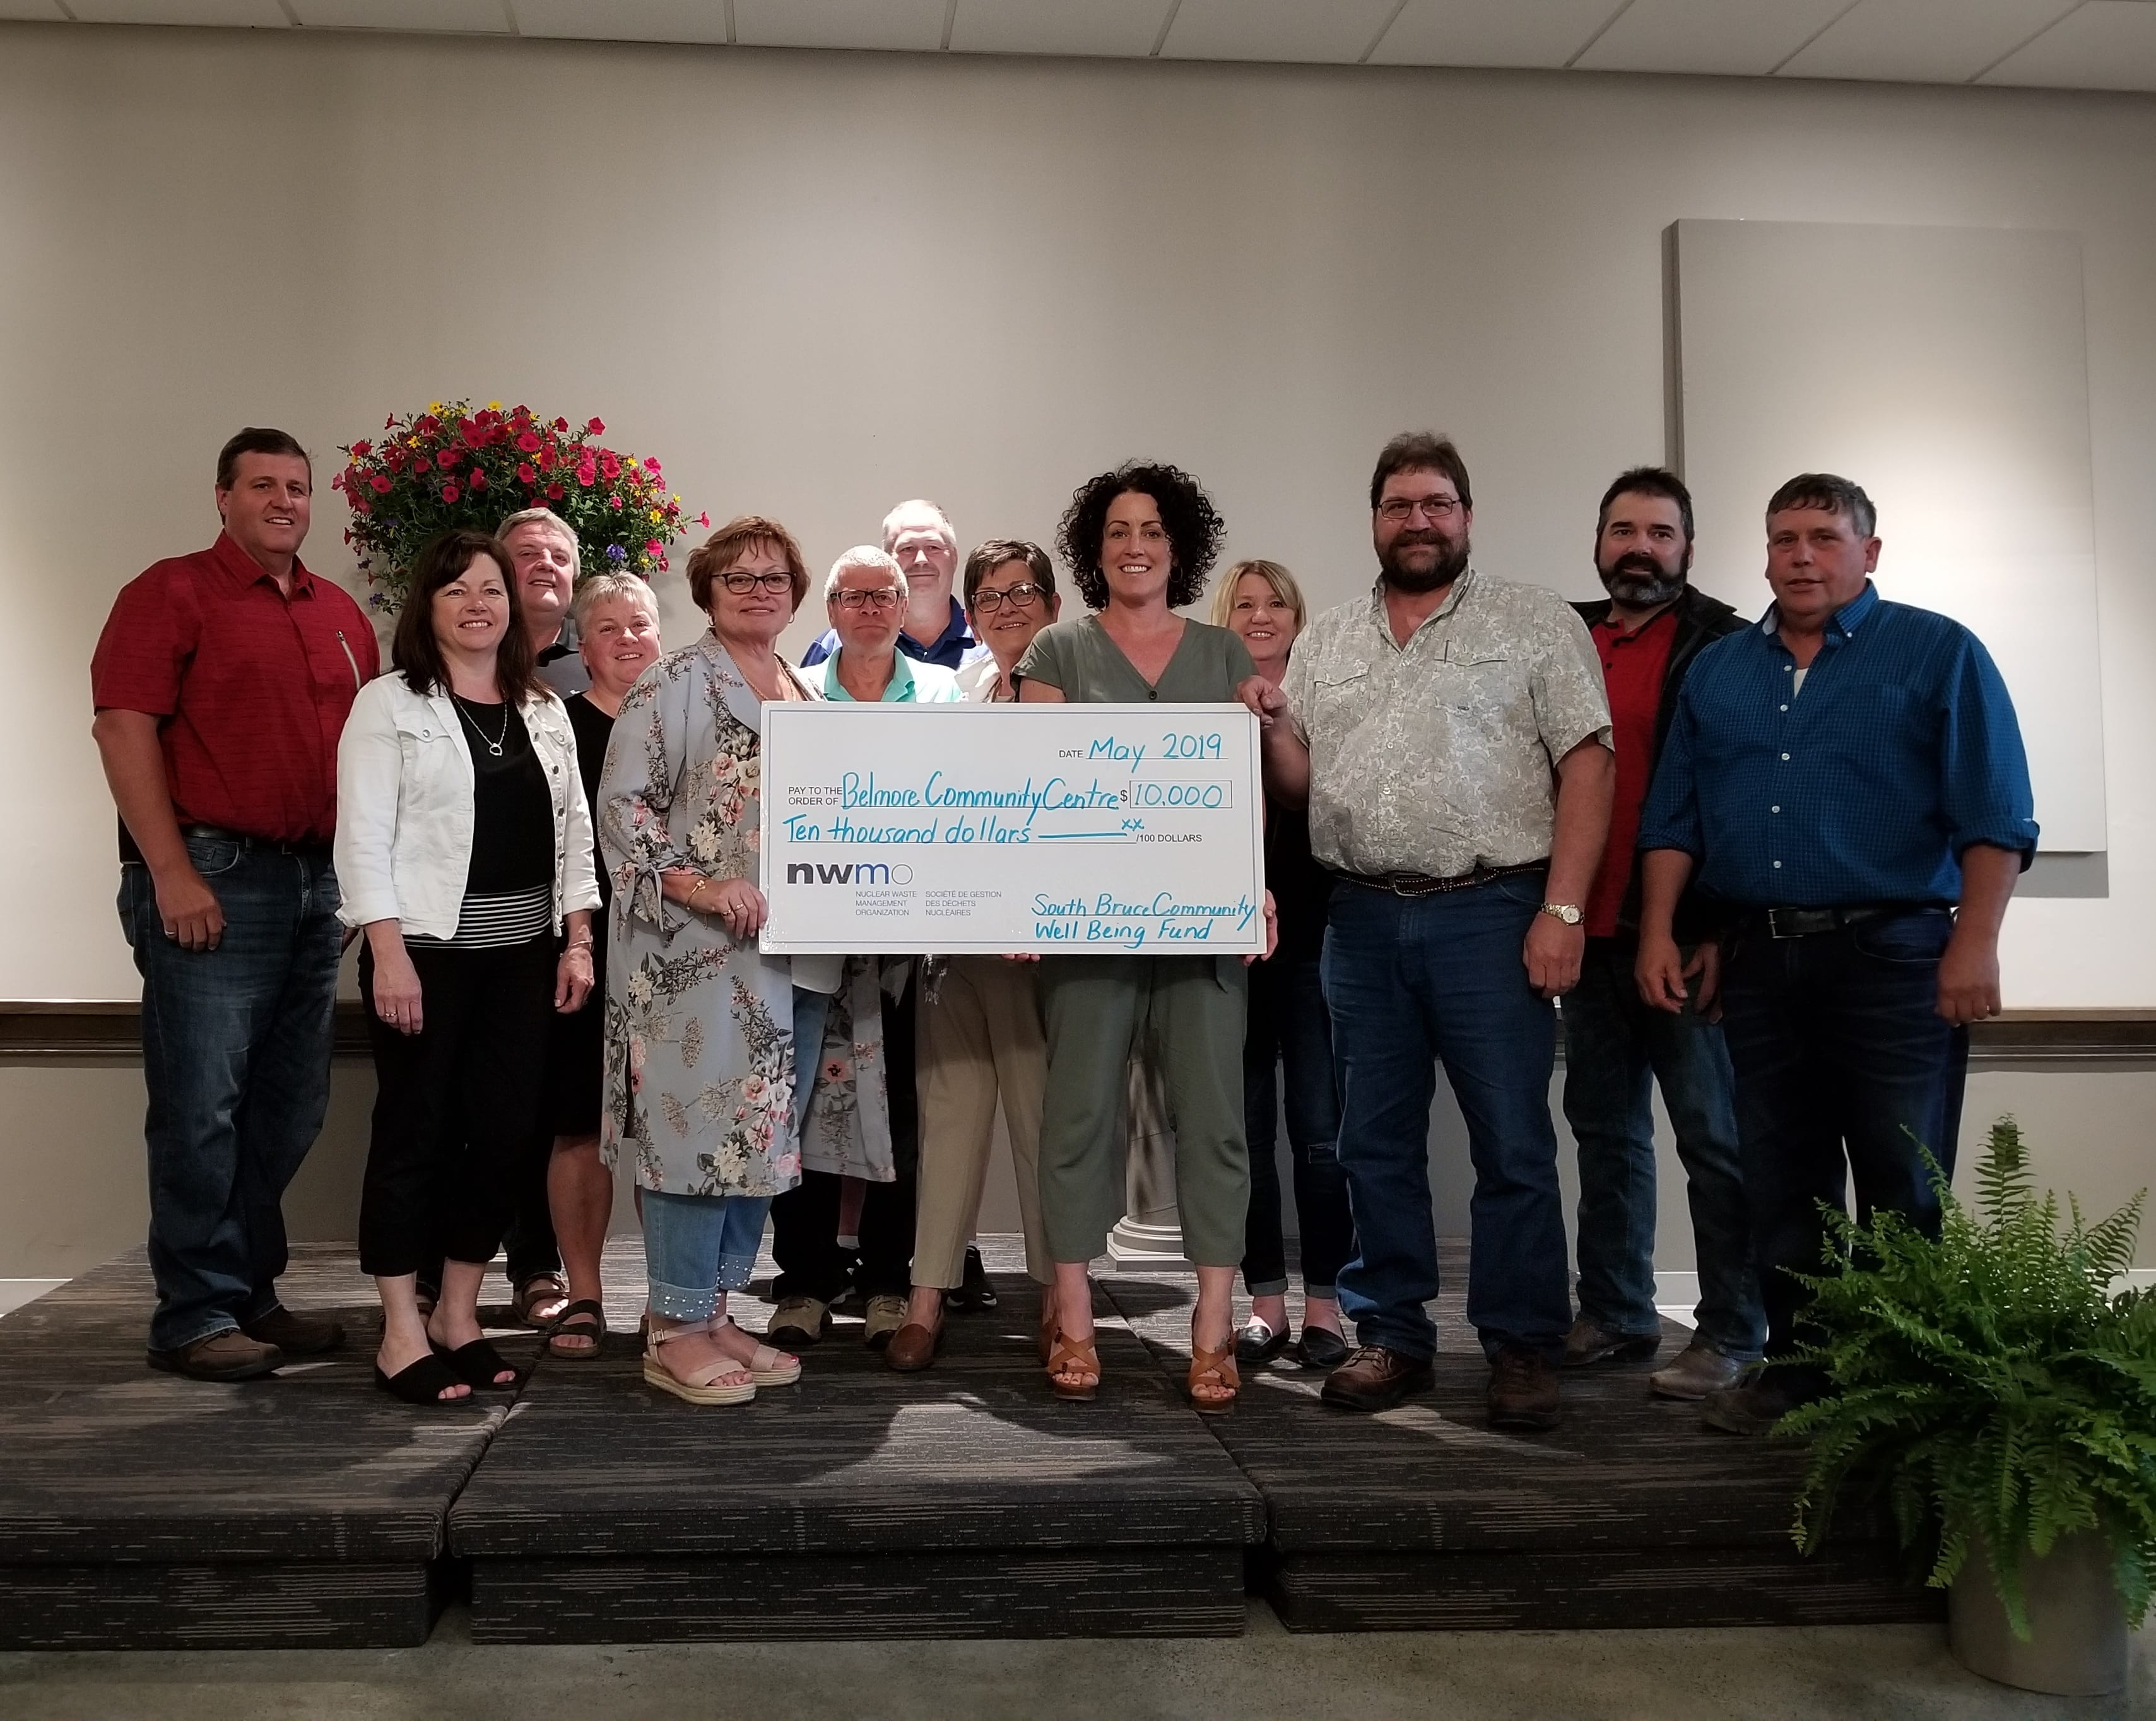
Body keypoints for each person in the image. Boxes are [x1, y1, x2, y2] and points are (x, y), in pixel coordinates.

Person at [1635, 472, 2036, 1436]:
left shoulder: (1937, 653)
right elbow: (1676, 820)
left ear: (1869, 551)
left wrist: (1974, 943)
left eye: (1823, 536)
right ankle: (1800, 1368)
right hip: (1762, 962)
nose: (1801, 556)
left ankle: (1900, 1386)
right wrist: (1658, 930)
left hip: (1894, 955)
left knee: (1902, 1174)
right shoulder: (1721, 671)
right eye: (1784, 538)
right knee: (1782, 1177)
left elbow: (1996, 814)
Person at [1243, 432, 1615, 1430]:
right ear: (1374, 520)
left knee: (1513, 1143)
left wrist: (1563, 909)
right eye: (1399, 505)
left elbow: (1588, 764)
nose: (1418, 521)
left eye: (1436, 503)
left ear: (1466, 515)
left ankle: (1521, 1343)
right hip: (1361, 916)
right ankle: (1393, 1335)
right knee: (1372, 1143)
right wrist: (1273, 726)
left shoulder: (1534, 621)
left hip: (1492, 911)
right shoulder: (1328, 640)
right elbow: (1301, 786)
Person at [90, 427, 379, 1381]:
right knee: (200, 1106)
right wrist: (172, 871)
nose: (284, 501)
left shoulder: (341, 613)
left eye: (298, 486)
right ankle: (194, 1313)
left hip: (315, 882)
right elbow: (122, 727)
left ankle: (250, 1292)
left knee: (288, 1105)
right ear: (223, 496)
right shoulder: (170, 591)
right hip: (212, 872)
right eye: (263, 485)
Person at [1018, 462, 1273, 1413]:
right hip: (1087, 926)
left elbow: (1245, 796)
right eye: (1119, 530)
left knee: (1214, 1119)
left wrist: (1255, 887)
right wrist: (1022, 905)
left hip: (1205, 925)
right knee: (1079, 1114)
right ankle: (1074, 1313)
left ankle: (1213, 1323)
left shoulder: (1224, 654)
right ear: (1096, 549)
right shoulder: (1057, 650)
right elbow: (1036, 796)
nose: (1136, 546)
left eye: (1153, 530)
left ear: (1179, 547)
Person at [336, 529, 600, 1405]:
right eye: (456, 590)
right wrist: (386, 955)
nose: (477, 604)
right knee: (414, 1133)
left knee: (502, 1136)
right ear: (429, 607)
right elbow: (361, 839)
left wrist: (577, 939)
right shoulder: (388, 704)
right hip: (423, 959)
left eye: (491, 589)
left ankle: (457, 1314)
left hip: (523, 961)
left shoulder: (543, 707)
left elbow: (574, 835)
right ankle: (400, 1331)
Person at [598, 516, 825, 1407]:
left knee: (759, 1137)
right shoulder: (673, 682)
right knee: (695, 1137)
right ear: (708, 592)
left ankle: (716, 1311)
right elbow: (624, 810)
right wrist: (700, 886)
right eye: (739, 577)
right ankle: (672, 1328)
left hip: (793, 956)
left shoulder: (803, 689)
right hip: (697, 956)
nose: (759, 589)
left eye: (774, 577)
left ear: (795, 594)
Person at [1561, 469, 1764, 1402]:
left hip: (1682, 936)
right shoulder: (1564, 638)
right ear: (1599, 542)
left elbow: (1745, 795)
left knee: (1714, 1140)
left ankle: (1733, 1330)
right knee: (1604, 1134)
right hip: (1587, 931)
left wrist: (1717, 925)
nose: (1639, 547)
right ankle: (1616, 1311)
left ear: (1688, 546)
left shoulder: (1727, 645)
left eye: (1659, 532)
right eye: (1623, 530)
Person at [887, 540, 1063, 1371]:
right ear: (972, 611)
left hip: (1044, 951)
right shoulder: (955, 690)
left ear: (1054, 605)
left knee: (1041, 1126)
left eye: (1024, 591)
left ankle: (1060, 1299)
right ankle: (926, 1296)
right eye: (990, 595)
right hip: (956, 942)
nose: (1007, 607)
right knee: (947, 1119)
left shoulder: (1083, 689)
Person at [1211, 560, 1353, 1374]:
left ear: (1299, 619)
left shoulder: (1326, 700)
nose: (1261, 617)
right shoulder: (1201, 705)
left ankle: (1326, 1305)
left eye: (1276, 604)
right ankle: (1265, 1303)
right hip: (1227, 950)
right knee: (1244, 1137)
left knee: (1323, 1136)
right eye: (1244, 605)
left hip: (1314, 942)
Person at [534, 573, 663, 1359]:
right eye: (608, 628)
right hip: (582, 949)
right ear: (583, 648)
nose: (626, 639)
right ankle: (584, 1294)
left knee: (666, 1136)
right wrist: (573, 940)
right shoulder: (556, 727)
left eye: (639, 624)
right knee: (579, 1125)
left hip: (679, 953)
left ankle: (670, 1299)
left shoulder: (686, 723)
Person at [489, 506, 587, 1328]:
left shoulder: (605, 663)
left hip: (581, 920)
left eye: (560, 554)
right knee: (489, 1100)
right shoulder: (464, 664)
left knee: (554, 1103)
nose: (546, 564)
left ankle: (536, 1265)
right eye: (527, 553)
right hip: (485, 921)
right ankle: (440, 1271)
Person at [801, 499, 991, 673]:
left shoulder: (989, 644)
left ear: (954, 557)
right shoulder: (832, 646)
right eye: (907, 549)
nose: (921, 560)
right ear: (887, 560)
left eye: (933, 547)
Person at [811, 548, 965, 705]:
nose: (870, 609)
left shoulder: (945, 691)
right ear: (831, 612)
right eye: (854, 597)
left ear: (903, 609)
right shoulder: (804, 692)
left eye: (883, 597)